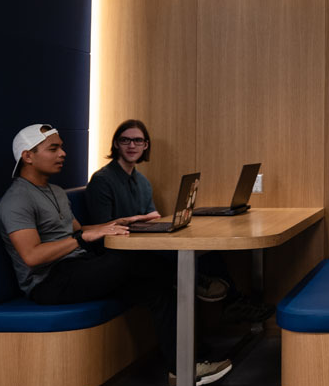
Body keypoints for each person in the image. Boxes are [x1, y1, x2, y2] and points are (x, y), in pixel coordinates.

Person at [0, 123, 232, 386]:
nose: (63, 153)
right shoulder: (16, 200)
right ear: (28, 156)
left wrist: (121, 222)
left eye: (61, 147)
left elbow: (77, 231)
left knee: (159, 292)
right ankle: (200, 283)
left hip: (78, 267)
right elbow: (32, 256)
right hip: (49, 283)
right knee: (130, 260)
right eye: (54, 148)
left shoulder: (55, 191)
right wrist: (83, 239)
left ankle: (185, 371)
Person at [86, 120, 230, 303]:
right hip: (119, 253)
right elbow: (101, 230)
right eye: (125, 140)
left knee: (209, 251)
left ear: (145, 145)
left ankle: (230, 302)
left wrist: (153, 221)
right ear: (116, 144)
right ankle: (202, 285)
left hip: (143, 244)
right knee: (179, 259)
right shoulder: (102, 180)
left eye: (138, 141)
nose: (132, 145)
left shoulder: (143, 181)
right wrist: (135, 220)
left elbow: (152, 218)